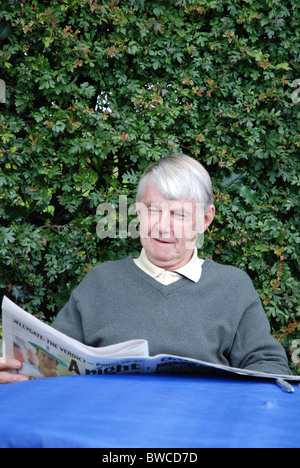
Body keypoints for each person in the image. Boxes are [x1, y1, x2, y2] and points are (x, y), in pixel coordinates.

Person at [0, 153, 291, 383]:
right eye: (152, 211)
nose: (163, 227)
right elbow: (48, 361)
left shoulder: (232, 286)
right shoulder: (100, 282)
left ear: (205, 219)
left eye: (178, 214)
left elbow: (269, 366)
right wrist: (14, 368)